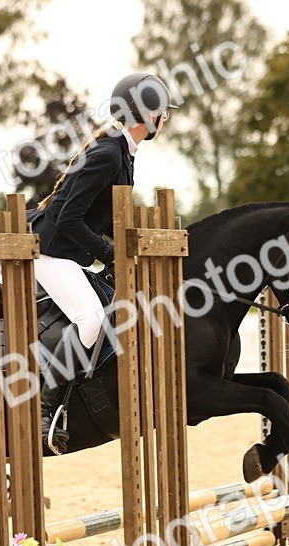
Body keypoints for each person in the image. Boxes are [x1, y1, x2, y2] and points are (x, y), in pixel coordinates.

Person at [27, 72, 178, 454]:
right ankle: (46, 409)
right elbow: (69, 219)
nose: (165, 120)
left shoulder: (122, 152)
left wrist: (135, 248)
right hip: (51, 250)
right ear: (149, 114)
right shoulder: (110, 153)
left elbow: (106, 217)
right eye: (163, 113)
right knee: (90, 319)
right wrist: (111, 254)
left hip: (69, 250)